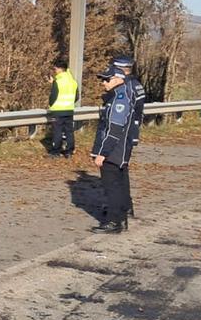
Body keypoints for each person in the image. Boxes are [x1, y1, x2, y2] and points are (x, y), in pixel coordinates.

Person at [89, 57, 145, 234]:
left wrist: (102, 153)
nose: (103, 82)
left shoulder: (120, 99)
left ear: (119, 78)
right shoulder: (122, 94)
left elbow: (114, 130)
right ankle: (121, 217)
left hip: (115, 149)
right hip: (121, 147)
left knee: (112, 185)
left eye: (107, 79)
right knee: (119, 184)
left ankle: (114, 222)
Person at [47, 59, 78, 158]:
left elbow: (53, 96)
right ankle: (69, 151)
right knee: (69, 131)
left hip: (58, 110)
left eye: (55, 69)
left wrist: (51, 105)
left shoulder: (58, 81)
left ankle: (55, 151)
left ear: (59, 69)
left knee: (57, 131)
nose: (54, 71)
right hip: (69, 110)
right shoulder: (73, 81)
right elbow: (77, 96)